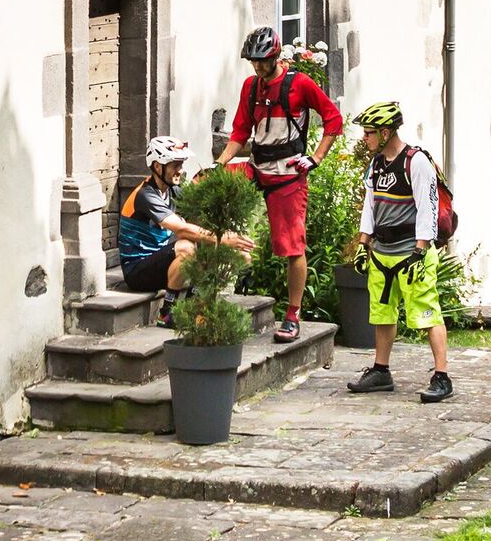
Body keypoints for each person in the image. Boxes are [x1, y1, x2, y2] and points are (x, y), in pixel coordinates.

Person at [224, 27, 343, 343]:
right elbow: (240, 132)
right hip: (256, 168)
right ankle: (202, 292)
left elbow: (333, 119)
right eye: (253, 61)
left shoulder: (299, 84)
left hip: (288, 175)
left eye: (262, 61)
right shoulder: (251, 86)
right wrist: (220, 165)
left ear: (275, 56)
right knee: (208, 192)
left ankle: (292, 314)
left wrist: (316, 158)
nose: (257, 66)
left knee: (291, 246)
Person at [344, 100, 451, 404]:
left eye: (369, 132)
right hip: (382, 253)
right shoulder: (377, 164)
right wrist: (363, 245)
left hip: (411, 253)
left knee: (427, 312)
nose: (364, 138)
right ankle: (381, 371)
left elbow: (428, 208)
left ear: (386, 132)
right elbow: (370, 206)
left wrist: (420, 251)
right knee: (382, 313)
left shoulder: (415, 162)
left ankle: (442, 376)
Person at [117, 137, 255, 327]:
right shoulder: (145, 195)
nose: (180, 170)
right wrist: (223, 239)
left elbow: (200, 217)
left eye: (181, 164)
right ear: (157, 166)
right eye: (175, 165)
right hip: (137, 271)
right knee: (186, 247)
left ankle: (195, 305)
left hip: (160, 264)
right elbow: (181, 229)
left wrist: (234, 241)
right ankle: (167, 313)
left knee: (216, 246)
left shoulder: (173, 190)